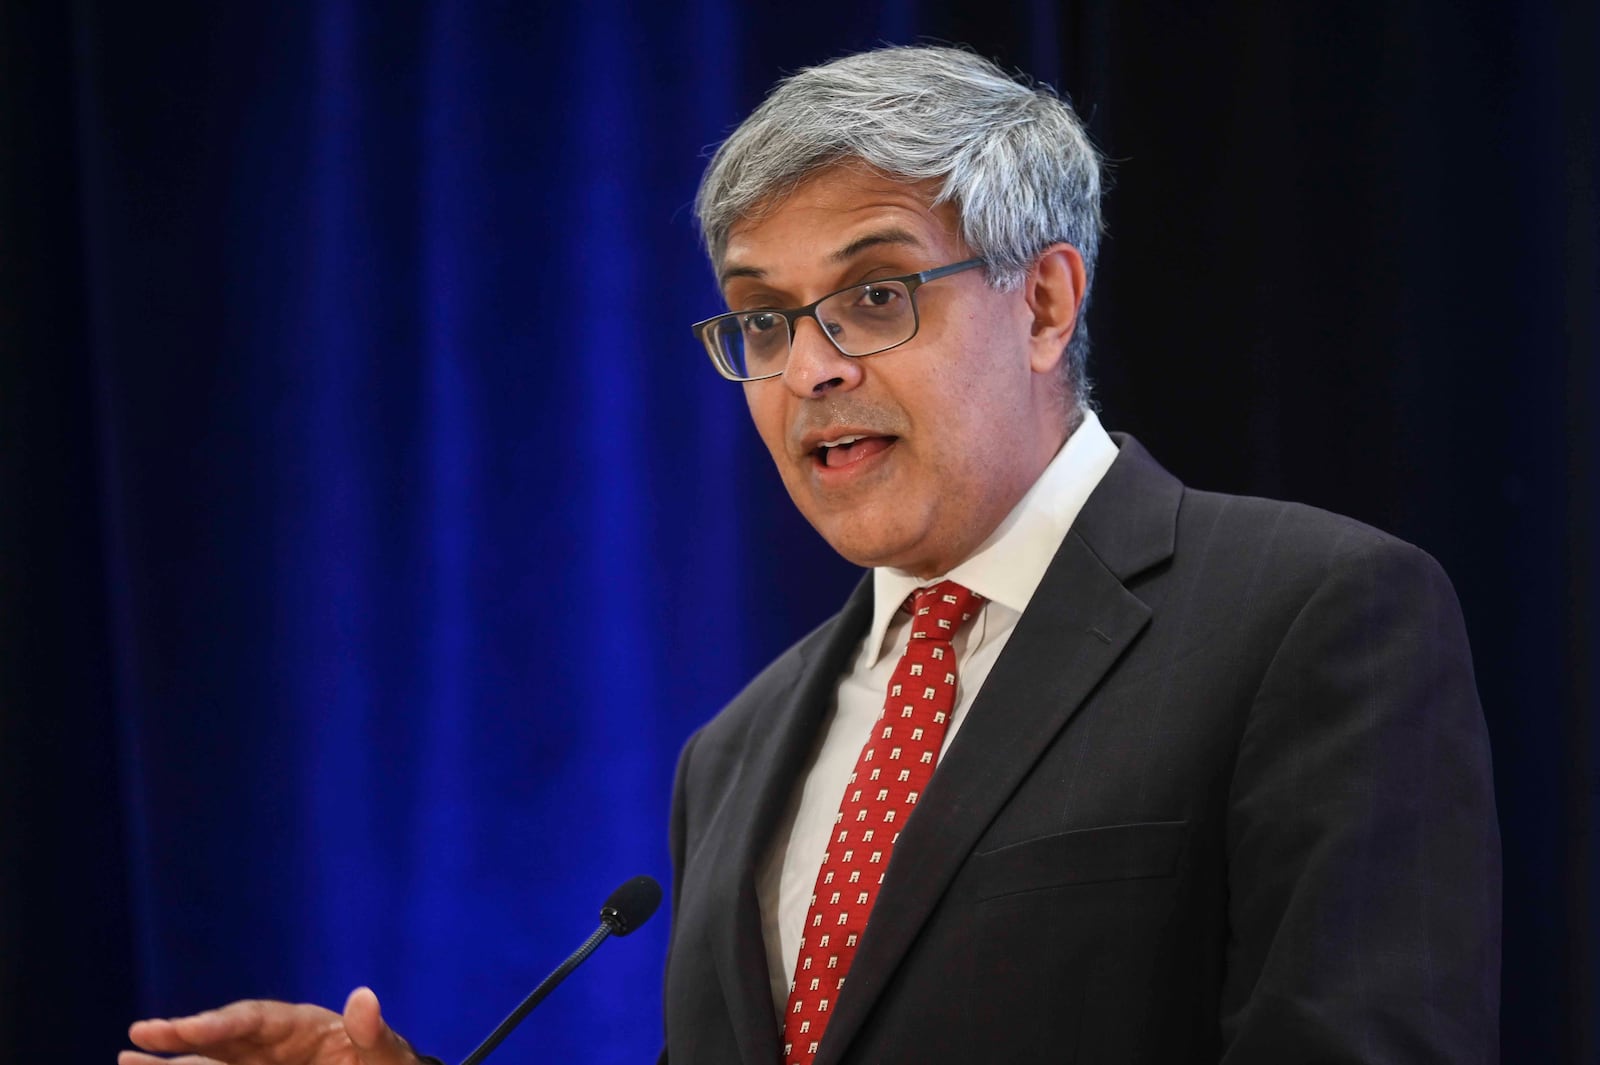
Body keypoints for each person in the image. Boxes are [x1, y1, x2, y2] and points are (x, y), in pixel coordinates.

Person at [121, 44, 1500, 1065]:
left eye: (875, 295)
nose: (811, 370)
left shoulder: (1310, 618)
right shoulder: (735, 748)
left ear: (1045, 299)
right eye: (765, 322)